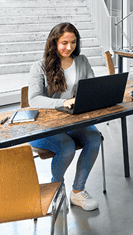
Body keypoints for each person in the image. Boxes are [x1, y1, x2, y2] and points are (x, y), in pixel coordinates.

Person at [28, 22, 101, 211]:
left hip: (73, 120)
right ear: (54, 43)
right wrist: (63, 102)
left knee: (94, 138)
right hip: (46, 125)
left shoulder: (82, 61)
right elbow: (34, 100)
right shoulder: (39, 67)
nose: (69, 47)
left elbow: (92, 88)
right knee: (66, 146)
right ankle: (56, 190)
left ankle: (77, 192)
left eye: (74, 42)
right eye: (64, 43)